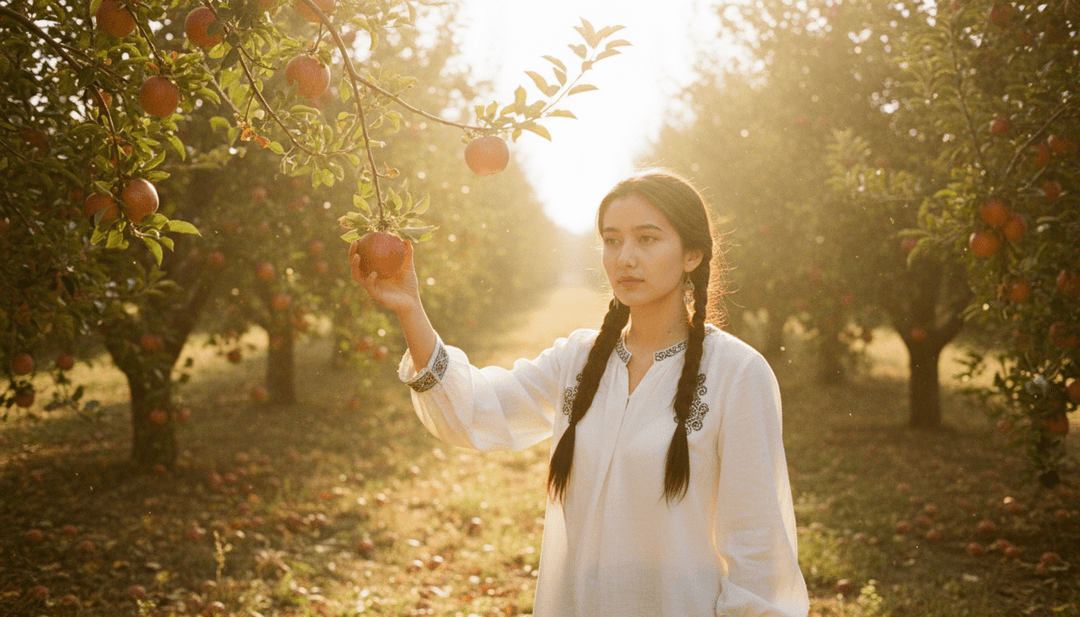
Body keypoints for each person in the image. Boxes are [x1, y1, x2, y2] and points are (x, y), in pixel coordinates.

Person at [350, 169, 809, 617]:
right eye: (612, 240)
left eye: (647, 239)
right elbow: (478, 410)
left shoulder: (737, 373)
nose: (624, 257)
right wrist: (411, 310)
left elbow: (758, 549)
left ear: (692, 254)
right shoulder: (579, 358)